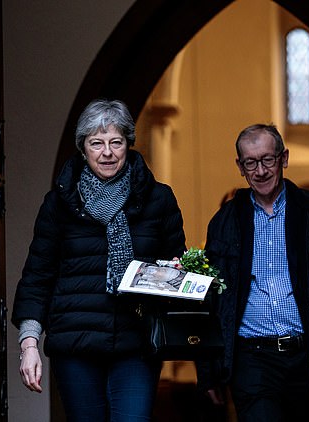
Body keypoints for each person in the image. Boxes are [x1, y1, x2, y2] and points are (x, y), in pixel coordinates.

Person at [11, 99, 186, 421]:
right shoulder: (58, 205)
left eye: (116, 142)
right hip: (75, 345)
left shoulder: (158, 199)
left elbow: (177, 267)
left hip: (137, 343)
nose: (107, 152)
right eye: (97, 143)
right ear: (83, 148)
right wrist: (29, 344)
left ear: (128, 145)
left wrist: (171, 274)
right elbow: (38, 276)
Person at [197, 123, 309, 422]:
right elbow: (210, 298)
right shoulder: (225, 221)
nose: (261, 170)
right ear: (240, 167)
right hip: (251, 360)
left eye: (268, 159)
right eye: (250, 163)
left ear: (284, 158)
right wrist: (208, 372)